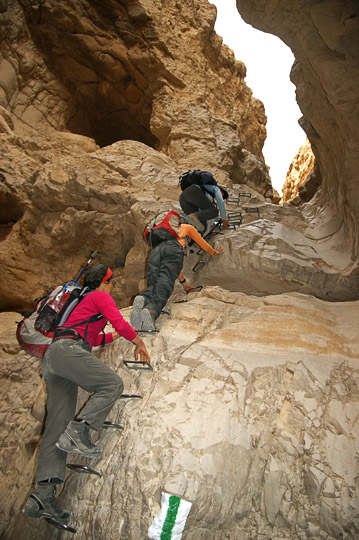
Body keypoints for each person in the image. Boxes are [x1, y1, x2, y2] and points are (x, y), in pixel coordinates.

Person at [23, 264, 150, 525]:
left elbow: (91, 339)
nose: (112, 286)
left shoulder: (83, 303)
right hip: (67, 352)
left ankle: (42, 496)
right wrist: (138, 341)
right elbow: (119, 321)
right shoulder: (100, 296)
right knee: (111, 384)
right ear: (105, 281)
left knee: (56, 427)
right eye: (112, 281)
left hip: (54, 359)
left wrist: (113, 337)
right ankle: (80, 431)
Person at [130, 215, 224, 332]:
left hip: (155, 251)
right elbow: (202, 243)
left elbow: (173, 270)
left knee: (154, 282)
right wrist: (213, 252)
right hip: (172, 249)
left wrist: (184, 284)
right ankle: (151, 310)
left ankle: (143, 299)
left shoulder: (161, 236)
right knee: (165, 282)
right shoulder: (187, 227)